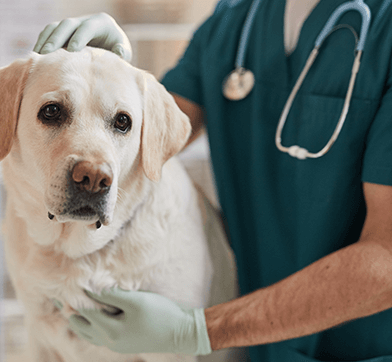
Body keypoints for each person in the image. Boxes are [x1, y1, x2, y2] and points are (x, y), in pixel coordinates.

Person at [31, 1, 392, 361]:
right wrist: (111, 78)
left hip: (361, 350)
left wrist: (198, 329)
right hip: (256, 348)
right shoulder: (233, 20)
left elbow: (387, 257)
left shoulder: (384, 29)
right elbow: (148, 134)